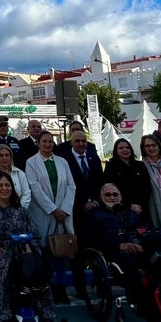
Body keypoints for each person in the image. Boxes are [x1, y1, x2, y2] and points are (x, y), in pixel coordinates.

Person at [0, 171, 55, 322]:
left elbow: (34, 232)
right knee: (4, 268)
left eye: (7, 185)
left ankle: (47, 315)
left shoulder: (20, 210)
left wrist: (31, 246)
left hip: (21, 250)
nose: (4, 189)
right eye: (0, 185)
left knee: (39, 271)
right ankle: (3, 318)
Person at [24, 129, 74, 304]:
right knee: (46, 252)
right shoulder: (31, 162)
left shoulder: (62, 162)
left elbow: (71, 186)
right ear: (38, 143)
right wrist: (53, 209)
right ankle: (48, 288)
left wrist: (64, 209)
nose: (47, 145)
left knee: (60, 252)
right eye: (44, 142)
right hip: (44, 213)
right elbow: (34, 188)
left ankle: (61, 288)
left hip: (63, 214)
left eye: (50, 142)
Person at [87, 183, 145, 307]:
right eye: (108, 195)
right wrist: (120, 246)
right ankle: (141, 301)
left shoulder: (128, 212)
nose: (112, 197)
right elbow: (94, 239)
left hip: (134, 246)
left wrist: (137, 242)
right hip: (111, 251)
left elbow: (141, 228)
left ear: (120, 196)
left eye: (115, 194)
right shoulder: (95, 214)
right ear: (101, 197)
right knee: (129, 261)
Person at [63, 128, 103, 300]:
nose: (81, 144)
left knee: (96, 251)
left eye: (84, 141)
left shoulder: (93, 159)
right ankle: (81, 289)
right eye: (77, 141)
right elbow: (67, 186)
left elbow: (100, 183)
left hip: (94, 211)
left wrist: (95, 201)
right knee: (77, 254)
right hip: (76, 212)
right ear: (71, 142)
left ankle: (100, 285)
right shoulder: (65, 160)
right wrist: (82, 204)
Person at [102, 138, 150, 223]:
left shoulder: (140, 165)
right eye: (121, 148)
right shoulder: (111, 167)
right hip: (122, 209)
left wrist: (140, 204)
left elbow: (147, 187)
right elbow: (108, 189)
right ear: (116, 150)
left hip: (142, 208)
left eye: (127, 147)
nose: (125, 150)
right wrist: (129, 205)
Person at [0, 144, 30, 209]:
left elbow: (26, 194)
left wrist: (18, 209)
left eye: (7, 155)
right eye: (1, 155)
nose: (5, 158)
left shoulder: (20, 173)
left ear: (11, 157)